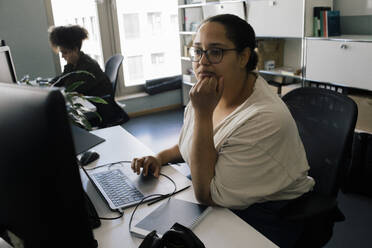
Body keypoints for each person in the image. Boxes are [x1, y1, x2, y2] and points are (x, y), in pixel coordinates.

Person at [131, 14, 314, 247]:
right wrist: (159, 157)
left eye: (215, 51)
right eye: (198, 51)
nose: (202, 62)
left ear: (243, 57)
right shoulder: (210, 93)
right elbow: (192, 142)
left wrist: (203, 113)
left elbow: (207, 194)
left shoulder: (263, 116)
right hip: (219, 197)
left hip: (264, 215)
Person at [48, 25, 128, 127]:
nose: (62, 56)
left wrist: (53, 89)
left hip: (100, 108)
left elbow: (70, 89)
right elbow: (63, 78)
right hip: (90, 102)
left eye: (65, 52)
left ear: (75, 49)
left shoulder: (88, 66)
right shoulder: (74, 63)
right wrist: (50, 83)